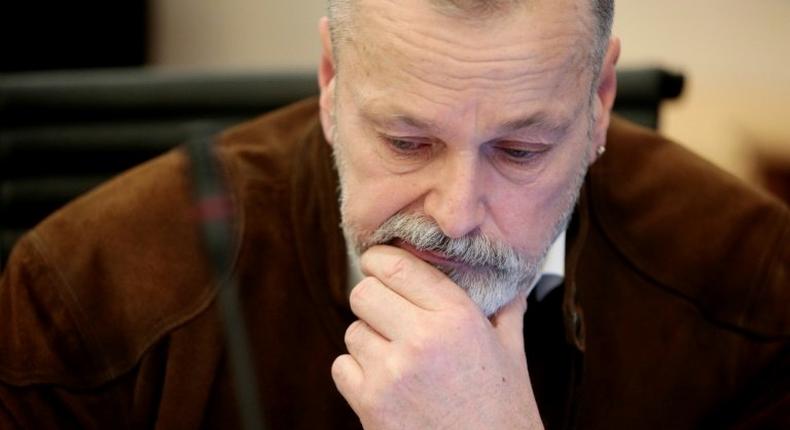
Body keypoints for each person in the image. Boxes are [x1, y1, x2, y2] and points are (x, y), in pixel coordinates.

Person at [0, 0, 787, 428]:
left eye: (520, 151)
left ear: (601, 102)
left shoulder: (756, 290)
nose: (456, 215)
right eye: (408, 142)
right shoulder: (85, 301)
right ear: (333, 80)